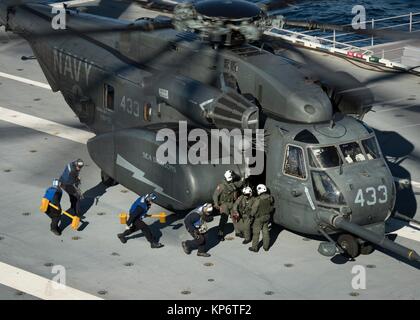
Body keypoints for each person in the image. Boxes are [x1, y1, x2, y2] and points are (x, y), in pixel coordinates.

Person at [212, 170, 244, 241]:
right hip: (224, 204)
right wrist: (216, 204)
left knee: (235, 217)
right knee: (224, 219)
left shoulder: (232, 183)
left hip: (232, 203)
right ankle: (220, 234)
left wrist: (243, 179)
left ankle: (237, 232)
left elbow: (239, 184)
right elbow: (215, 195)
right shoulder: (221, 186)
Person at [249, 184, 274, 253]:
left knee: (256, 232)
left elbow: (254, 209)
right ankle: (266, 247)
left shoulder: (258, 200)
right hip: (267, 216)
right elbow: (271, 206)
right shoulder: (270, 197)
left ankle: (254, 247)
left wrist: (251, 215)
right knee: (265, 231)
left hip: (259, 218)